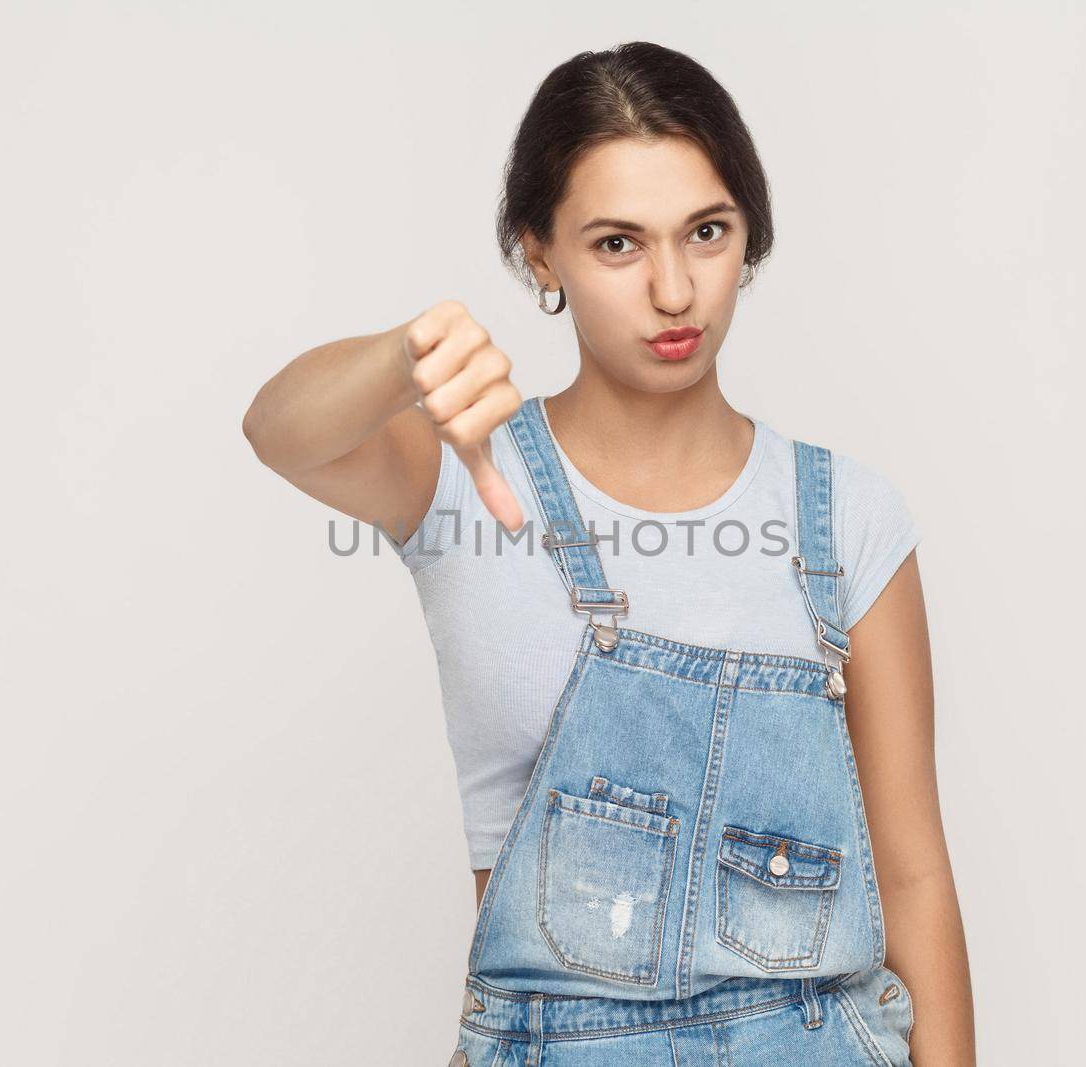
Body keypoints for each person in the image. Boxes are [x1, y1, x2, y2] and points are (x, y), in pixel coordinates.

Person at [244, 40, 974, 1067]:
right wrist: (406, 356)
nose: (675, 291)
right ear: (538, 254)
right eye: (617, 244)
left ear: (747, 235)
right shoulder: (466, 479)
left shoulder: (843, 515)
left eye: (706, 233)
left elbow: (911, 877)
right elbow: (280, 429)